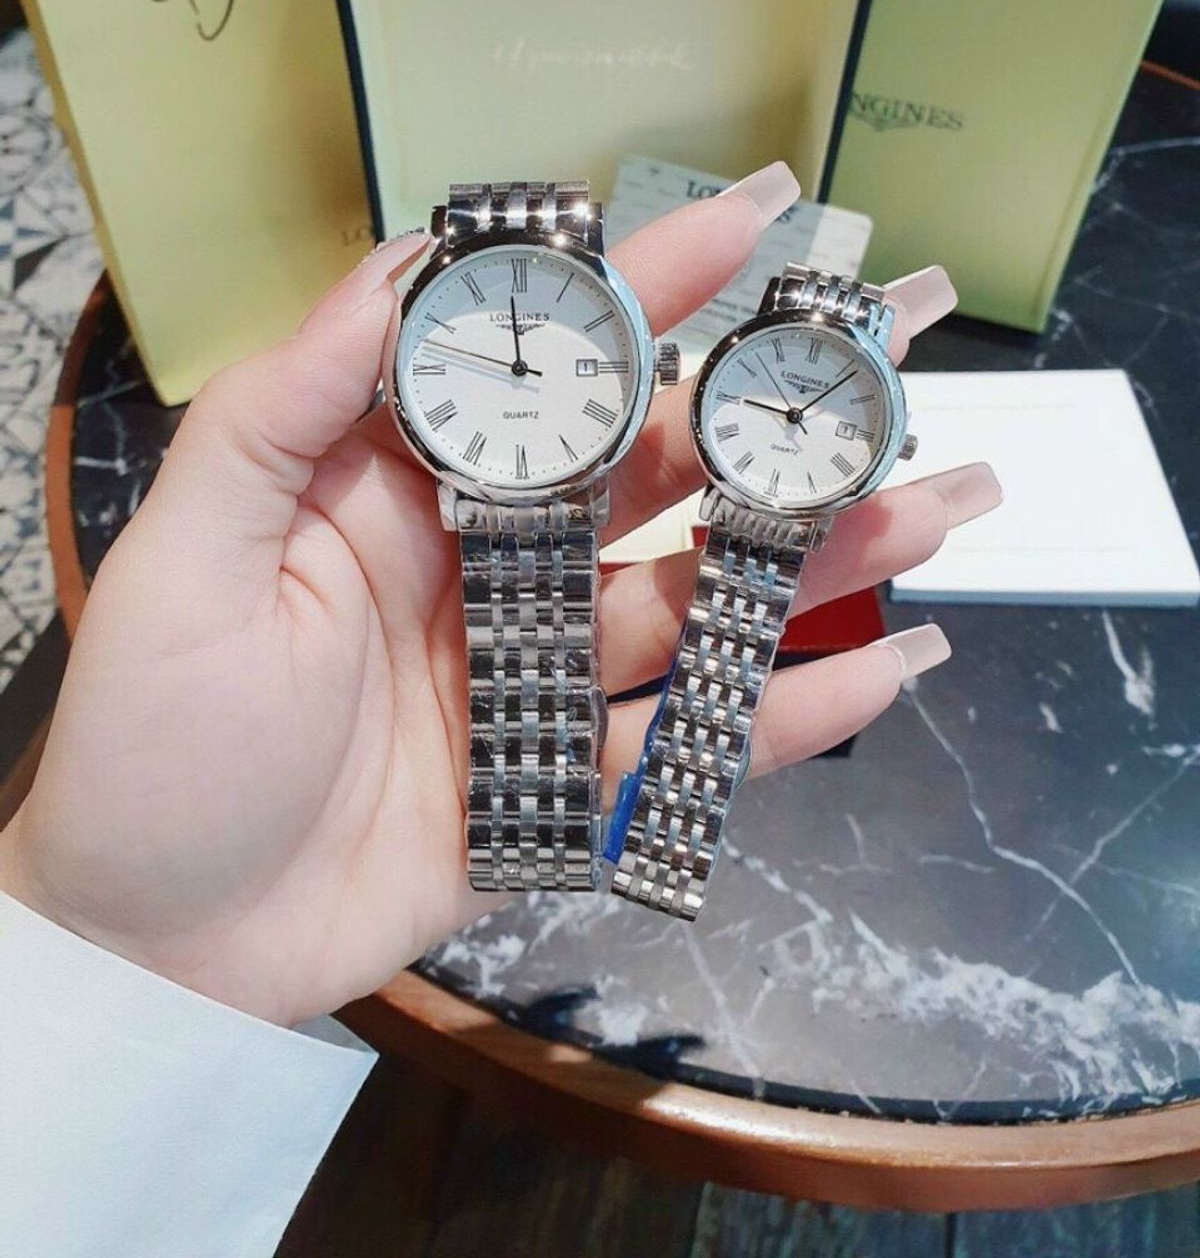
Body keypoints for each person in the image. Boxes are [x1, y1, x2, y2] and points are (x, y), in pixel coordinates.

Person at [0, 175, 1001, 1257]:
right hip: (493, 492)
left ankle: (544, 835)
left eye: (548, 364)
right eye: (501, 361)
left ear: (646, 370)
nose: (523, 371)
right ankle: (541, 836)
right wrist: (110, 937)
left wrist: (106, 948)